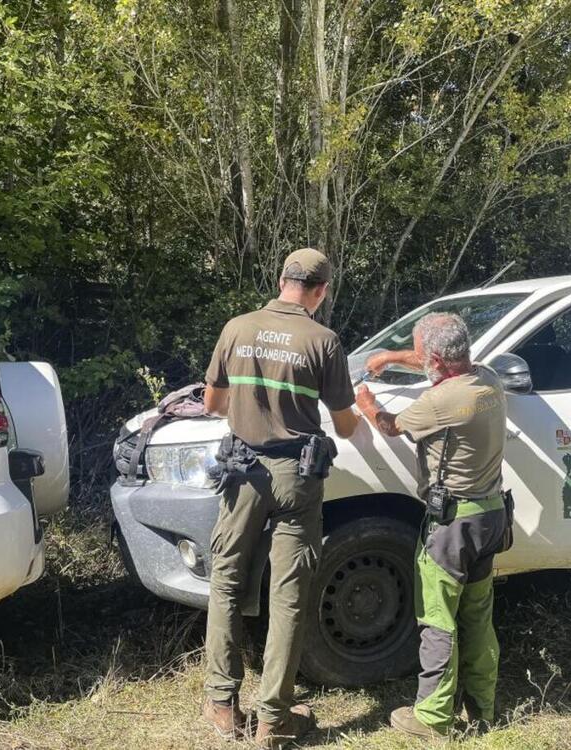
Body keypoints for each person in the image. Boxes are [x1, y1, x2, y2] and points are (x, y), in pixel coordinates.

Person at [201, 248, 361, 747]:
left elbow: (212, 403)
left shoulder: (237, 327)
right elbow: (347, 425)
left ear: (280, 280)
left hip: (243, 474)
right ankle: (273, 719)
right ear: (321, 291)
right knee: (288, 597)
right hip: (298, 476)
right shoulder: (324, 341)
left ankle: (222, 705)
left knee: (225, 582)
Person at [354, 312, 507, 738]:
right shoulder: (489, 380)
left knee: (438, 620)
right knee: (477, 616)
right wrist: (390, 357)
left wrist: (368, 402)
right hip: (490, 516)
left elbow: (390, 426)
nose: (419, 359)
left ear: (436, 360)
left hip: (452, 526)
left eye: (421, 354)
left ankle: (433, 718)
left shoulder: (440, 403)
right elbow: (434, 357)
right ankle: (483, 708)